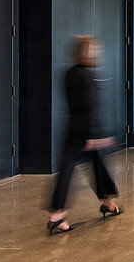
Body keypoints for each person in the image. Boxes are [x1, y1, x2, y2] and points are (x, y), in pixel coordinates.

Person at [47, 36, 122, 235]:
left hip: (72, 128)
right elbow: (91, 106)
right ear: (87, 52)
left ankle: (61, 213)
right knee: (96, 164)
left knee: (76, 168)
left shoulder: (69, 73)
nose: (97, 52)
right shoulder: (87, 76)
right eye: (95, 49)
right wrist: (95, 135)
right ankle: (103, 203)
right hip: (88, 131)